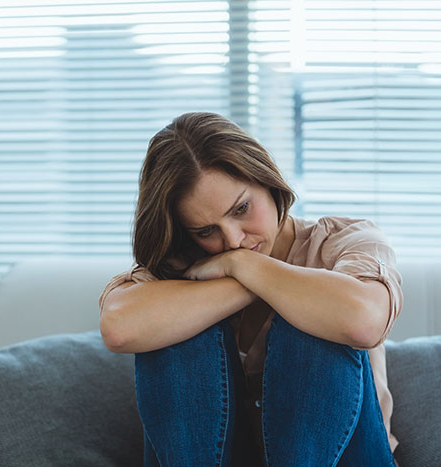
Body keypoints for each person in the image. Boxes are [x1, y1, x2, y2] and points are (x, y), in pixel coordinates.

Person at [98, 112, 402, 466]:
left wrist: (244, 267)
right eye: (206, 231)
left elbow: (362, 321)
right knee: (174, 333)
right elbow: (120, 328)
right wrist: (249, 284)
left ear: (268, 181)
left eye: (241, 208)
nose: (234, 240)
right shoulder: (184, 266)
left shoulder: (344, 241)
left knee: (316, 321)